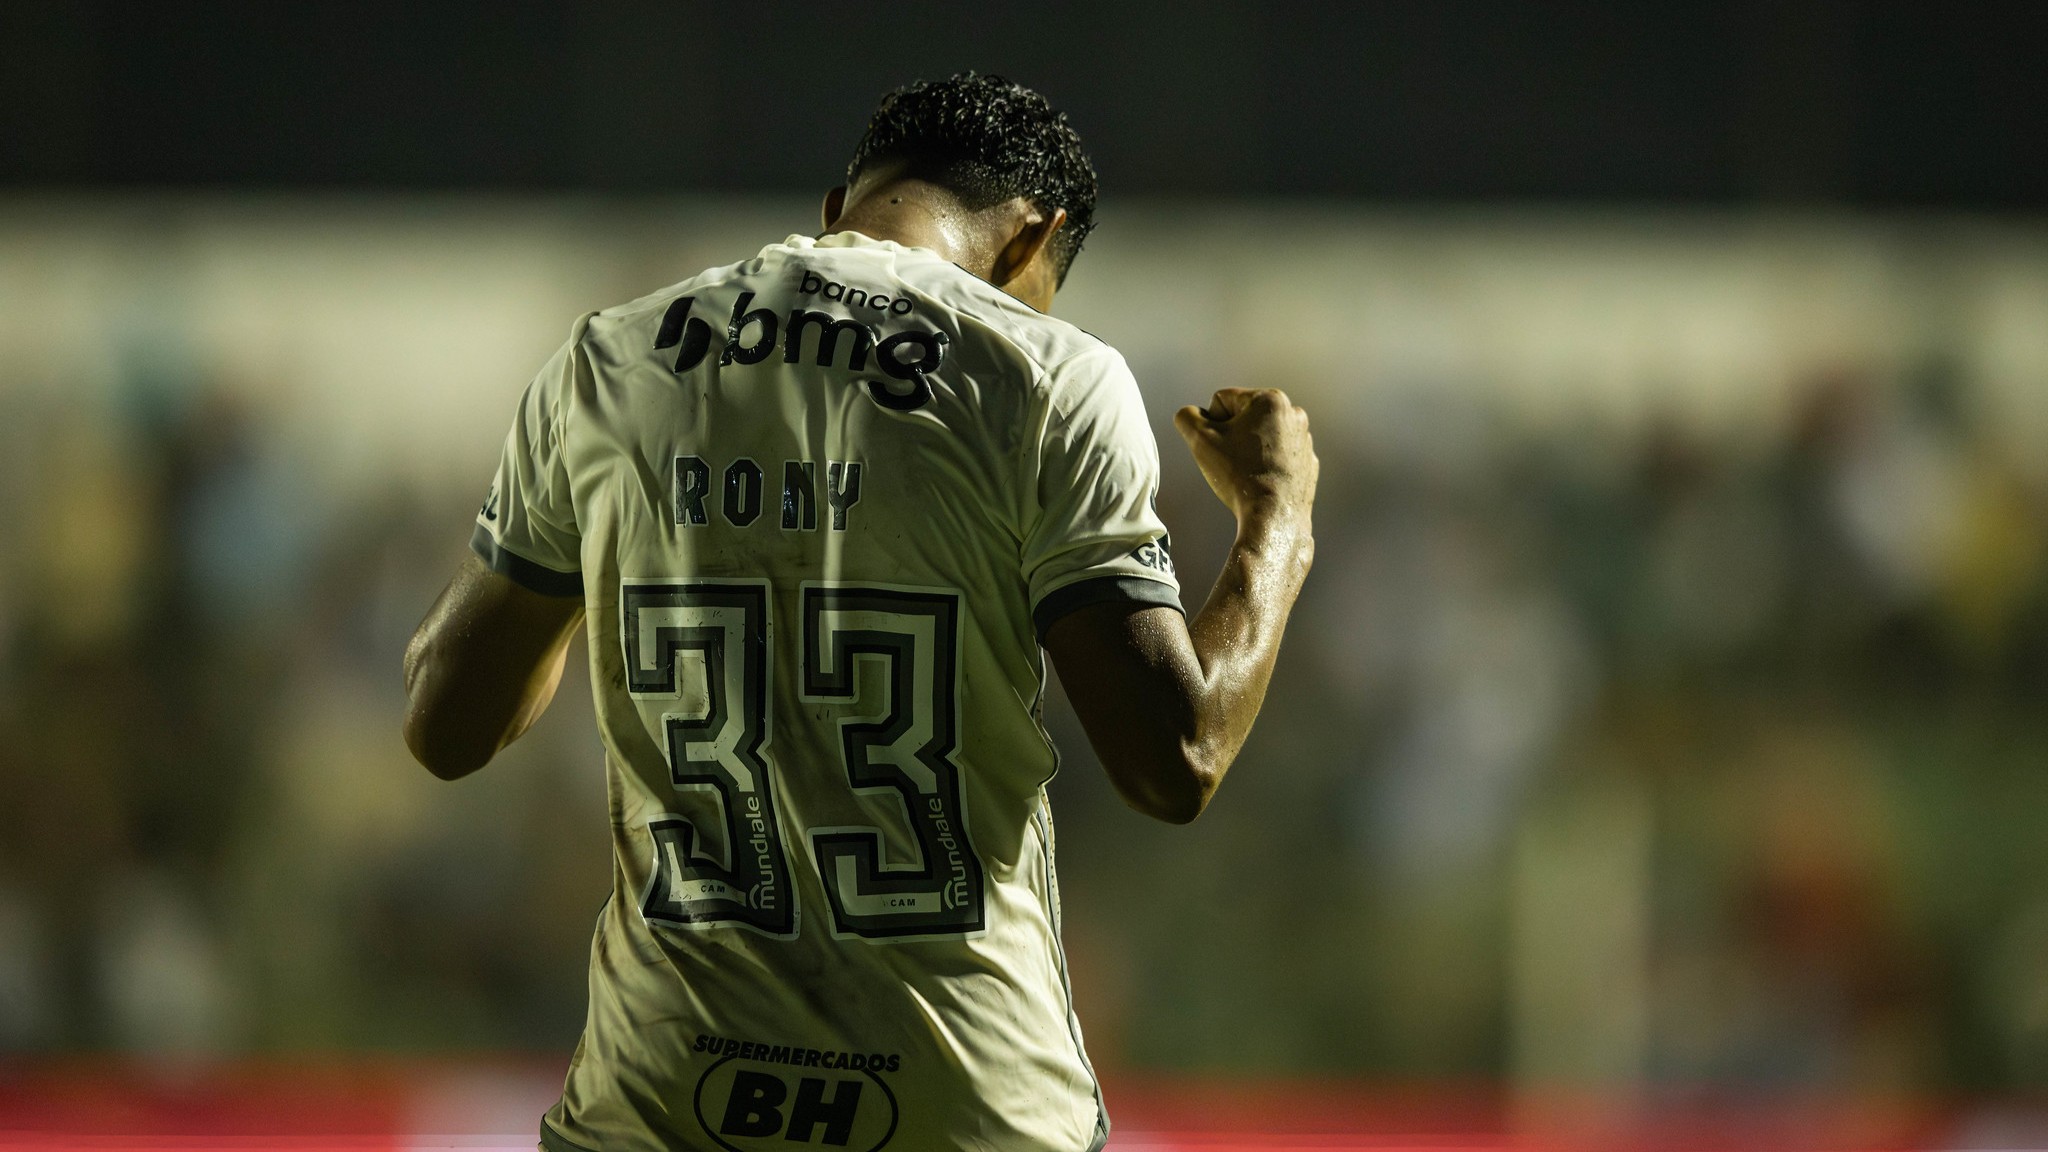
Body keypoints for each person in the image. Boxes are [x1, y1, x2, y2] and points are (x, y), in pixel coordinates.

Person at [402, 72, 1317, 1152]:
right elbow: (1177, 757)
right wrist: (1277, 515)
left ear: (839, 206)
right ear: (1034, 240)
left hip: (663, 1105)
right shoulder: (1046, 376)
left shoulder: (609, 361)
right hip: (960, 1108)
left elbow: (446, 726)